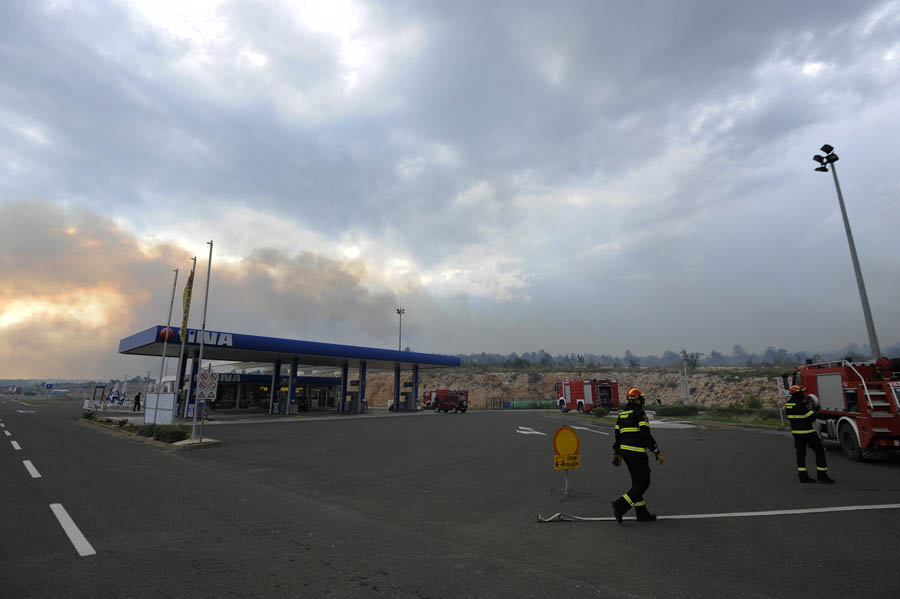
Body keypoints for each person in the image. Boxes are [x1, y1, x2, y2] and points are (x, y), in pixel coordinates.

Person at [611, 387, 663, 523]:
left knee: (636, 483)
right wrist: (656, 450)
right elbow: (645, 434)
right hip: (637, 453)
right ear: (636, 400)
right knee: (644, 481)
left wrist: (618, 453)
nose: (643, 400)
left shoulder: (621, 415)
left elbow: (618, 436)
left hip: (626, 454)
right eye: (641, 398)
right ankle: (620, 505)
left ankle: (641, 513)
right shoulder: (640, 414)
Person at [785, 385, 834, 483]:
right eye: (801, 392)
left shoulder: (788, 404)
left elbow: (796, 413)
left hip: (796, 433)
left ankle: (802, 476)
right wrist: (815, 409)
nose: (803, 394)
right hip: (808, 433)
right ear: (797, 393)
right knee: (819, 451)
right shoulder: (800, 405)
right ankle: (822, 476)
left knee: (800, 454)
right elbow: (811, 417)